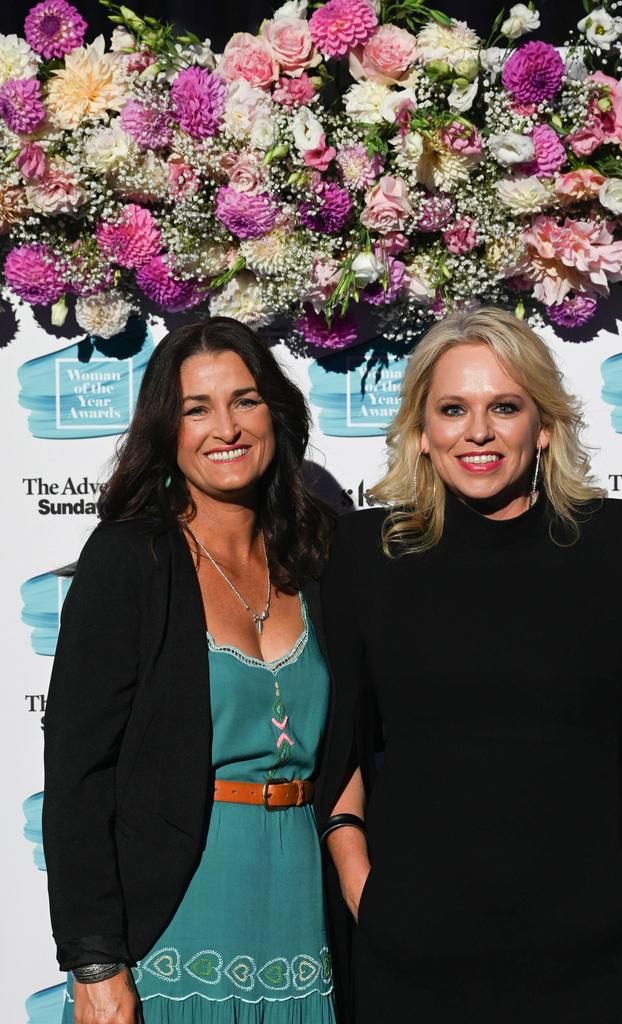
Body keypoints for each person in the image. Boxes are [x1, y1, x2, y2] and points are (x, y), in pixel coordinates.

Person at [315, 306, 622, 1023]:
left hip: (588, 945)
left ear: (546, 424)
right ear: (422, 433)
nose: (478, 431)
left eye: (505, 407)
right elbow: (335, 734)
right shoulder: (366, 554)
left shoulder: (621, 544)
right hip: (411, 949)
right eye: (452, 409)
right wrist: (359, 880)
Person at [43, 317, 336, 1024]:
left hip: (307, 908)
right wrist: (95, 963)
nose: (225, 428)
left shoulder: (321, 554)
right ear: (166, 430)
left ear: (276, 411)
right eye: (196, 409)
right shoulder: (131, 558)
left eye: (244, 400)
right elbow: (79, 775)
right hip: (174, 910)